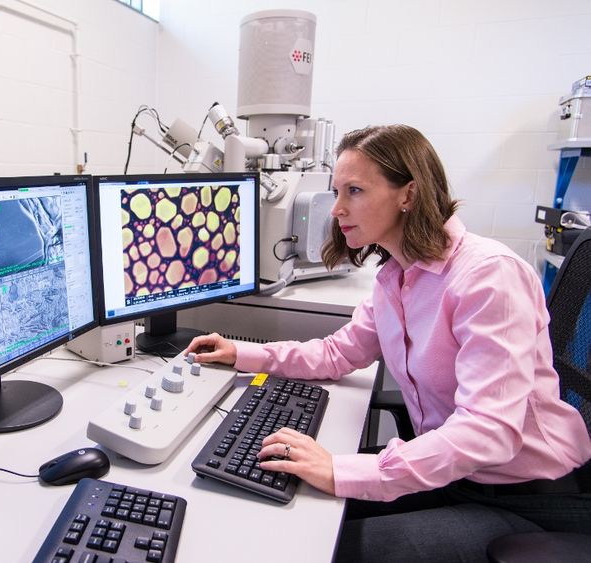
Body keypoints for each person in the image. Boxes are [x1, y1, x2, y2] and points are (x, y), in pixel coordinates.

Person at [184, 124, 591, 561]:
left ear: (408, 195)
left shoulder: (487, 276)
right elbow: (340, 351)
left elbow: (487, 432)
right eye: (336, 192)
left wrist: (342, 468)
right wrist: (242, 353)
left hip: (528, 498)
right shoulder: (396, 276)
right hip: (454, 473)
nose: (336, 210)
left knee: (327, 549)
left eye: (354, 191)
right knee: (291, 512)